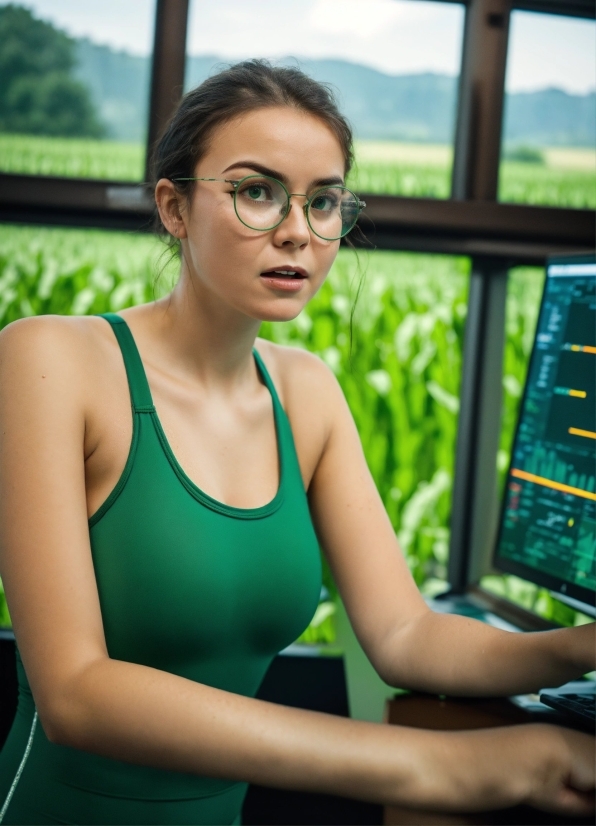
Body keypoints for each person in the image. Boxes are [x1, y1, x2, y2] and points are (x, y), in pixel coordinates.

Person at [0, 60, 593, 826]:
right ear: (174, 207)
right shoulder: (49, 360)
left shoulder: (305, 392)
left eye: (324, 203)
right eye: (256, 192)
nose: (296, 233)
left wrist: (577, 649)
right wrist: (444, 766)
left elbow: (405, 634)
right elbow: (76, 694)